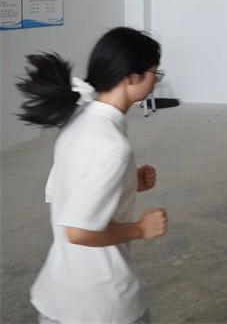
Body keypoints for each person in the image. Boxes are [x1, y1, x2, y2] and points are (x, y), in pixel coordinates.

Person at [17, 27, 169, 324]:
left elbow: (67, 188)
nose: (156, 80)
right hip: (99, 305)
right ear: (130, 78)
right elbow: (79, 231)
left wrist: (126, 182)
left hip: (58, 291)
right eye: (155, 72)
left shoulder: (81, 116)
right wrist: (140, 229)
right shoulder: (112, 146)